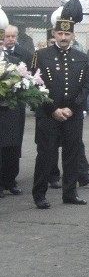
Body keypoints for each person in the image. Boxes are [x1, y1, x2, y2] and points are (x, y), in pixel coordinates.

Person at [30, 0, 89, 209]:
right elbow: (34, 86)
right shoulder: (40, 56)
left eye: (67, 34)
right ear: (54, 34)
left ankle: (70, 193)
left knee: (72, 154)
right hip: (49, 115)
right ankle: (39, 194)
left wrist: (71, 109)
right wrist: (53, 109)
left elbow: (85, 87)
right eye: (60, 33)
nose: (63, 37)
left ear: (73, 35)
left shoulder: (82, 57)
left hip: (72, 115)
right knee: (46, 155)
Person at [1, 24, 32, 195]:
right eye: (7, 37)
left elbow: (29, 77)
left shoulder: (23, 55)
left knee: (13, 144)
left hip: (15, 108)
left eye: (13, 36)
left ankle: (10, 180)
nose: (10, 39)